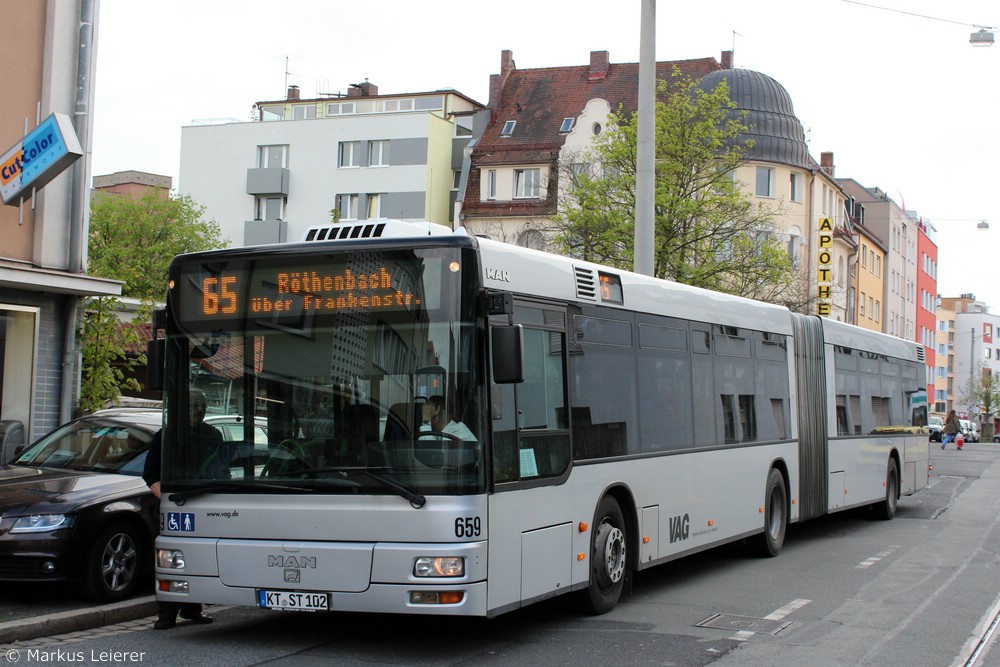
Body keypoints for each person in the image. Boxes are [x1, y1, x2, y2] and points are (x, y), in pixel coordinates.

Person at [142, 389, 220, 630]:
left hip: (204, 504)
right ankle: (166, 615)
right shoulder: (165, 436)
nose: (199, 409)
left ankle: (192, 609)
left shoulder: (213, 436)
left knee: (197, 558)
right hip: (175, 507)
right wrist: (167, 499)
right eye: (194, 405)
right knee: (171, 560)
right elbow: (150, 474)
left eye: (202, 406)